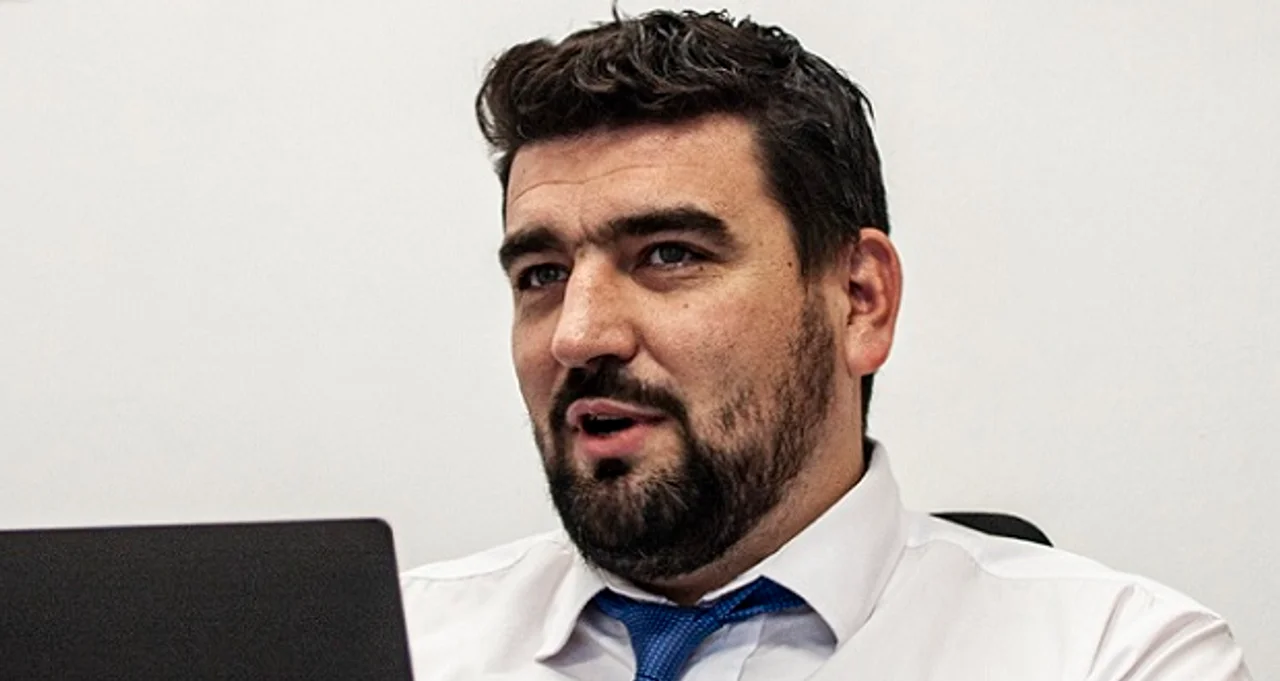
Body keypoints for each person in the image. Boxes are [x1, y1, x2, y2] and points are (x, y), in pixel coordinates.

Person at [400, 8, 1252, 680]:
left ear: (860, 301)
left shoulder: (1115, 656)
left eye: (669, 255)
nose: (580, 334)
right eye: (543, 274)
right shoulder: (395, 644)